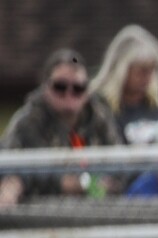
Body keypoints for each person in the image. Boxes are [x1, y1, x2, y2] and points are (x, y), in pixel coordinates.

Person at [0, 49, 123, 208]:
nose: (69, 94)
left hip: (95, 211)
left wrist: (87, 185)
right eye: (60, 87)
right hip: (41, 211)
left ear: (87, 91)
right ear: (46, 87)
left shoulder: (100, 117)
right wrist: (61, 184)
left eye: (78, 88)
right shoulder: (28, 121)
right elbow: (12, 172)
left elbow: (120, 169)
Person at [89, 24, 158, 145]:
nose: (149, 77)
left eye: (153, 70)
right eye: (142, 70)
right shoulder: (97, 105)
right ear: (122, 69)